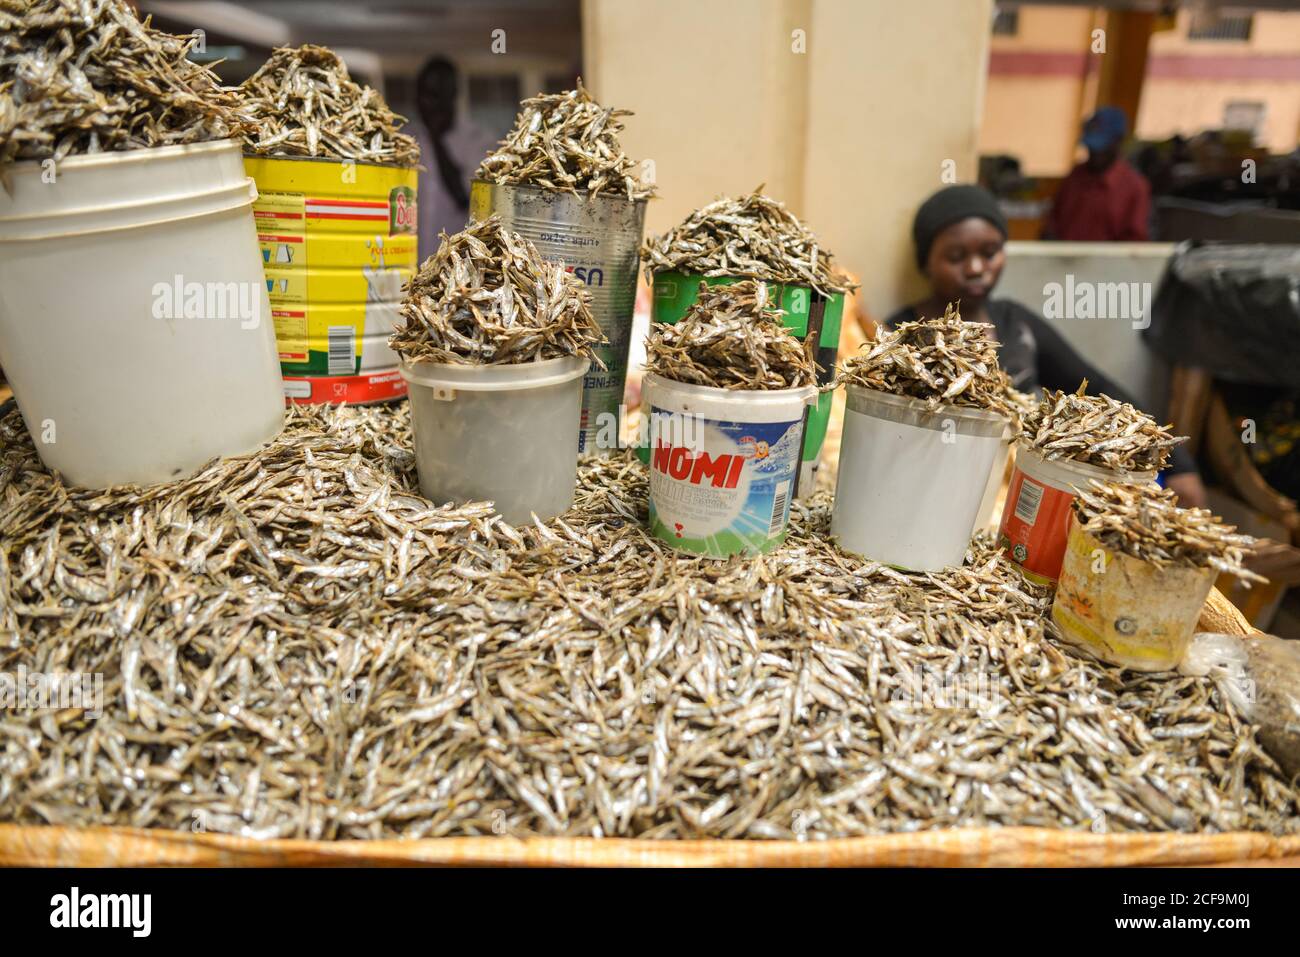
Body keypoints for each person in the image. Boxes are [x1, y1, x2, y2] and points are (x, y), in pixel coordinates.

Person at [886, 184, 1207, 506]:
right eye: (956, 257)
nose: (976, 269)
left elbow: (1097, 389)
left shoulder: (1016, 323)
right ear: (925, 262)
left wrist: (1178, 462)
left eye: (989, 253)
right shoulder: (901, 336)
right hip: (939, 493)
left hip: (1021, 487)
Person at [412, 57, 498, 260]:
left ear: (453, 95)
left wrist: (436, 139)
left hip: (458, 265)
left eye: (437, 96)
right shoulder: (406, 140)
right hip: (409, 264)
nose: (429, 104)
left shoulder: (479, 141)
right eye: (424, 95)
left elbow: (463, 196)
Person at [1043, 106, 1151, 242]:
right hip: (1064, 260)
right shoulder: (1075, 177)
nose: (1094, 153)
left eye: (1101, 147)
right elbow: (1053, 222)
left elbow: (1134, 244)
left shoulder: (1135, 187)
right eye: (1090, 147)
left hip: (1107, 262)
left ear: (1117, 142)